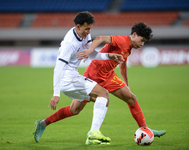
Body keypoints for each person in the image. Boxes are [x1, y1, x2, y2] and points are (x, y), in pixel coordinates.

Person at [33, 11, 124, 145]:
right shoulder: (70, 44)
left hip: (72, 76)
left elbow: (90, 54)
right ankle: (93, 134)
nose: (88, 32)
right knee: (103, 93)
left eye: (90, 29)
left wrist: (109, 56)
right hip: (67, 78)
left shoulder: (84, 34)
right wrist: (56, 94)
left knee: (78, 108)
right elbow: (58, 68)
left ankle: (42, 123)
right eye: (86, 29)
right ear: (78, 27)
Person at [77, 22, 166, 137]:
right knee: (75, 109)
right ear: (134, 34)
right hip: (94, 74)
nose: (142, 44)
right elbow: (100, 38)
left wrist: (126, 84)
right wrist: (89, 51)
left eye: (144, 42)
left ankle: (144, 128)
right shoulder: (122, 41)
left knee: (131, 97)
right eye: (142, 40)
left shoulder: (129, 47)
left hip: (107, 75)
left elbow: (122, 64)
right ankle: (45, 122)